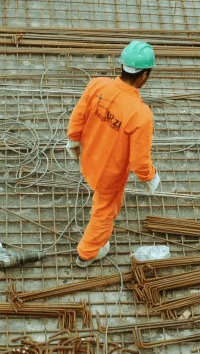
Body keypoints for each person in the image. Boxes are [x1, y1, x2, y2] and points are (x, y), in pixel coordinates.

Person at [66, 40, 161, 267]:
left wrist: (73, 140)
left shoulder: (97, 85)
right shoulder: (141, 114)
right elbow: (139, 161)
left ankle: (91, 247)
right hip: (109, 175)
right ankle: (87, 253)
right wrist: (150, 177)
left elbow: (78, 116)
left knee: (100, 202)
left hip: (88, 158)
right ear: (144, 76)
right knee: (104, 212)